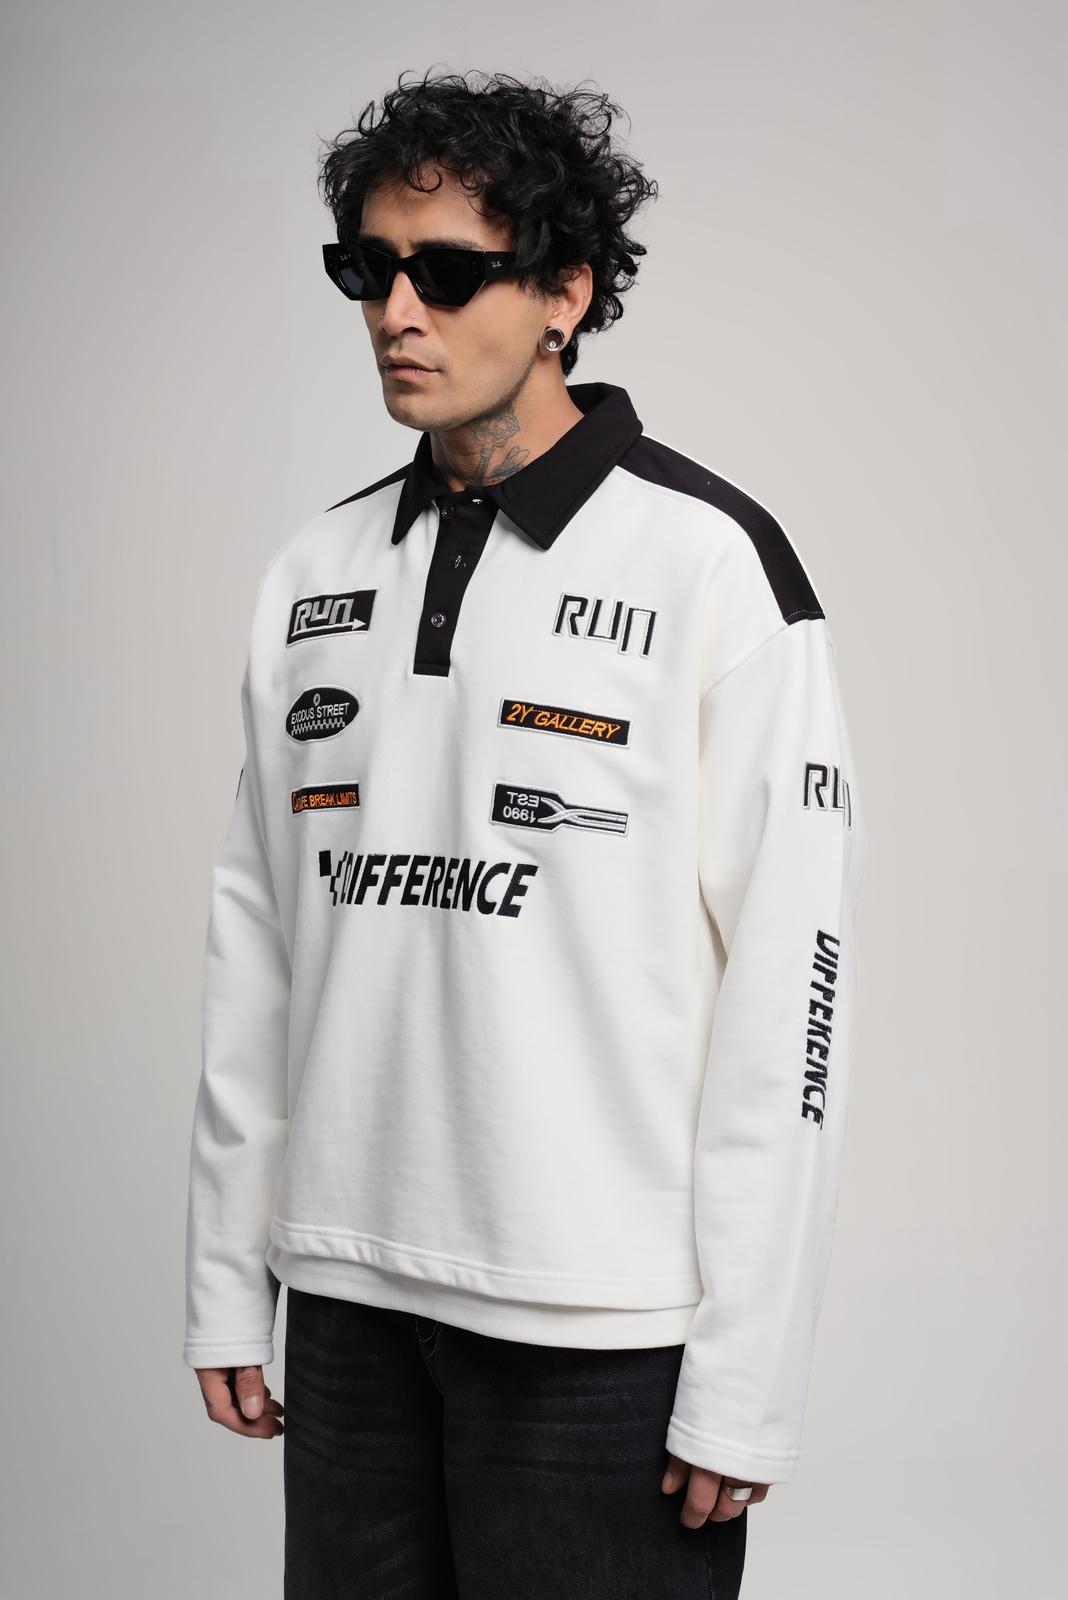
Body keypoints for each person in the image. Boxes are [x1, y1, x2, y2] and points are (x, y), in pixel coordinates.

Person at [183, 67, 867, 1600]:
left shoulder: (711, 566)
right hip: (348, 1302)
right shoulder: (310, 575)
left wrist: (748, 1369)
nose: (395, 312)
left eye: (446, 271)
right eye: (368, 268)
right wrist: (231, 1271)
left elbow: (793, 988)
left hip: (598, 1328)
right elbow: (256, 943)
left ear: (566, 292)